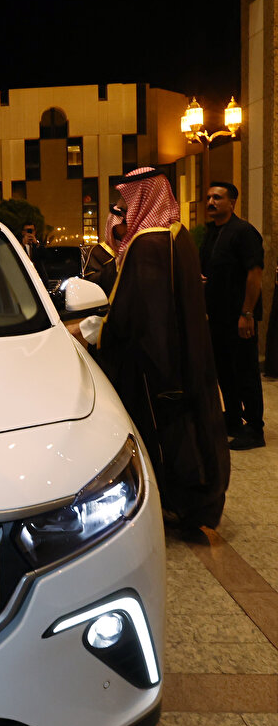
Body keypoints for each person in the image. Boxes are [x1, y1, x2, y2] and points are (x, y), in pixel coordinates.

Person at [93, 167, 229, 533]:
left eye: (128, 202)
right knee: (193, 421)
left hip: (154, 364)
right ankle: (197, 501)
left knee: (164, 431)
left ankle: (170, 502)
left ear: (143, 198)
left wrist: (97, 330)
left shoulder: (147, 244)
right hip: (184, 351)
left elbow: (133, 312)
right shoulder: (177, 234)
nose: (124, 210)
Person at [201, 182, 265, 450]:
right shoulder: (212, 233)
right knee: (225, 370)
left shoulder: (243, 232)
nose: (211, 202)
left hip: (239, 316)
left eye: (217, 197)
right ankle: (234, 419)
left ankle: (255, 428)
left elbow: (255, 273)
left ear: (232, 202)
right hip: (217, 317)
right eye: (208, 197)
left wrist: (246, 313)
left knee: (245, 371)